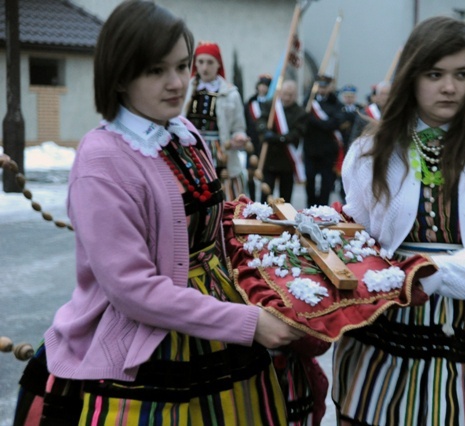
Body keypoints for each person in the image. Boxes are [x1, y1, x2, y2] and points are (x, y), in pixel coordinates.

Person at [12, 1, 303, 424]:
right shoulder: (102, 162)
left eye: (183, 66)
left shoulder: (184, 135)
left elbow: (210, 231)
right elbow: (132, 290)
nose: (177, 82)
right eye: (155, 70)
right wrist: (248, 323)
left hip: (219, 330)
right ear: (120, 75)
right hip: (144, 344)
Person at [332, 16, 465, 425]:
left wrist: (432, 272)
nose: (450, 87)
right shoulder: (371, 150)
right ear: (412, 75)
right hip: (389, 319)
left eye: (462, 74)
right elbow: (359, 235)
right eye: (435, 74)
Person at [185, 40, 250, 200]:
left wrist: (238, 137)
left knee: (222, 192)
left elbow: (239, 127)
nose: (204, 67)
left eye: (209, 62)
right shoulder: (184, 88)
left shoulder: (231, 93)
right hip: (191, 149)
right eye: (200, 62)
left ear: (218, 64)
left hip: (220, 151)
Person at [256, 80, 307, 203]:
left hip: (287, 161)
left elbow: (296, 134)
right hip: (269, 159)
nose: (287, 97)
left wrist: (275, 137)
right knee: (265, 196)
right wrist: (264, 130)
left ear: (295, 95)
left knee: (285, 198)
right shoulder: (271, 106)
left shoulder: (300, 112)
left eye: (291, 95)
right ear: (280, 93)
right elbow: (260, 121)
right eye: (285, 93)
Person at [303, 74, 344, 207]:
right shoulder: (309, 101)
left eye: (325, 87)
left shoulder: (335, 102)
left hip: (327, 150)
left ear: (330, 88)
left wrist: (315, 121)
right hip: (311, 148)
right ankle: (310, 205)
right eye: (320, 86)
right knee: (310, 180)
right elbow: (304, 120)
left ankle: (322, 207)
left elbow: (333, 124)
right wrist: (321, 122)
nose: (322, 89)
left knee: (327, 182)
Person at [245, 73, 272, 201]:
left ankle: (262, 202)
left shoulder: (272, 104)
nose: (263, 88)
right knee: (250, 172)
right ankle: (251, 198)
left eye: (266, 86)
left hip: (264, 143)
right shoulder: (251, 102)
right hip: (252, 141)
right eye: (261, 85)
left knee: (262, 174)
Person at [337, 84, 363, 199]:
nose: (349, 99)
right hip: (343, 145)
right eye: (346, 96)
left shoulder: (360, 110)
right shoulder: (339, 110)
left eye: (351, 96)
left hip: (356, 145)